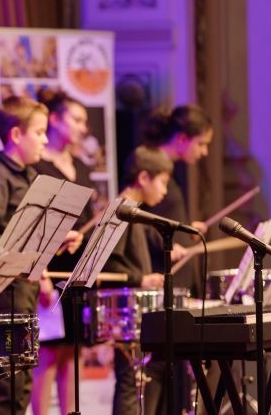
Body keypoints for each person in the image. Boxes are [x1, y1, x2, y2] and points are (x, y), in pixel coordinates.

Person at [0, 96, 81, 415]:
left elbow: (28, 238)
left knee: (21, 382)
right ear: (16, 135)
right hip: (3, 297)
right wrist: (16, 258)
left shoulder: (30, 177)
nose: (46, 140)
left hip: (24, 295)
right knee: (4, 386)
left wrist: (54, 241)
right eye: (40, 132)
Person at [30, 89, 94, 415]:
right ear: (54, 119)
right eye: (77, 119)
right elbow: (32, 225)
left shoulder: (81, 166)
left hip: (75, 273)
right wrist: (39, 273)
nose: (84, 127)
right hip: (47, 270)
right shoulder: (38, 165)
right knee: (49, 354)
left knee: (74, 350)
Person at [101, 145, 173, 415]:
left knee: (135, 382)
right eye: (163, 182)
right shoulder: (122, 210)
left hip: (134, 314)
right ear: (144, 178)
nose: (165, 191)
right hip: (124, 315)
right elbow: (107, 263)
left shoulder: (134, 212)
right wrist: (140, 278)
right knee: (130, 382)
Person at [141, 104, 214, 294]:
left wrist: (186, 226)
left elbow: (162, 215)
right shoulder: (148, 166)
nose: (204, 152)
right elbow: (138, 220)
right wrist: (167, 244)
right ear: (182, 139)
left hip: (180, 276)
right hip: (161, 274)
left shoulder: (172, 170)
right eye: (201, 143)